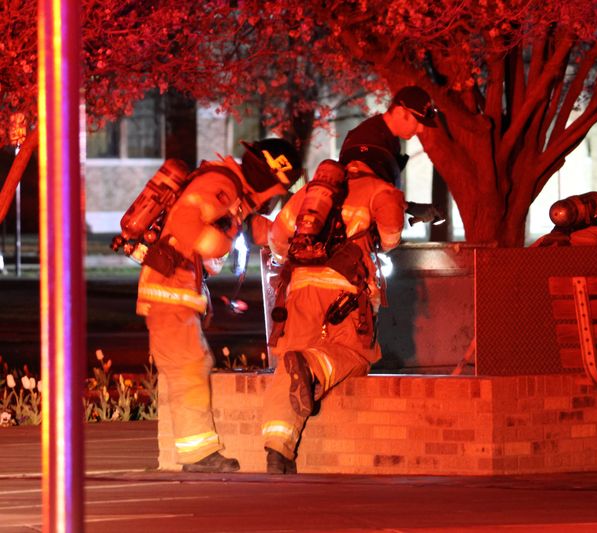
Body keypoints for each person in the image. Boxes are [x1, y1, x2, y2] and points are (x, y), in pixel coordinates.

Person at [260, 86, 440, 474]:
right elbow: (390, 239)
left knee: (289, 362)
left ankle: (278, 449)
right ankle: (311, 367)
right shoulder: (380, 189)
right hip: (345, 294)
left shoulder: (309, 195)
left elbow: (276, 238)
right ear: (387, 161)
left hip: (298, 289)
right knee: (356, 356)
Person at [136, 138, 303, 473]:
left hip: (179, 293)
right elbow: (190, 225)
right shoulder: (220, 186)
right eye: (278, 190)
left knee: (193, 364)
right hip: (170, 293)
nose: (274, 198)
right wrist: (220, 240)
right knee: (189, 367)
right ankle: (197, 456)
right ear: (270, 179)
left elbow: (255, 230)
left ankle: (197, 455)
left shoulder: (231, 194)